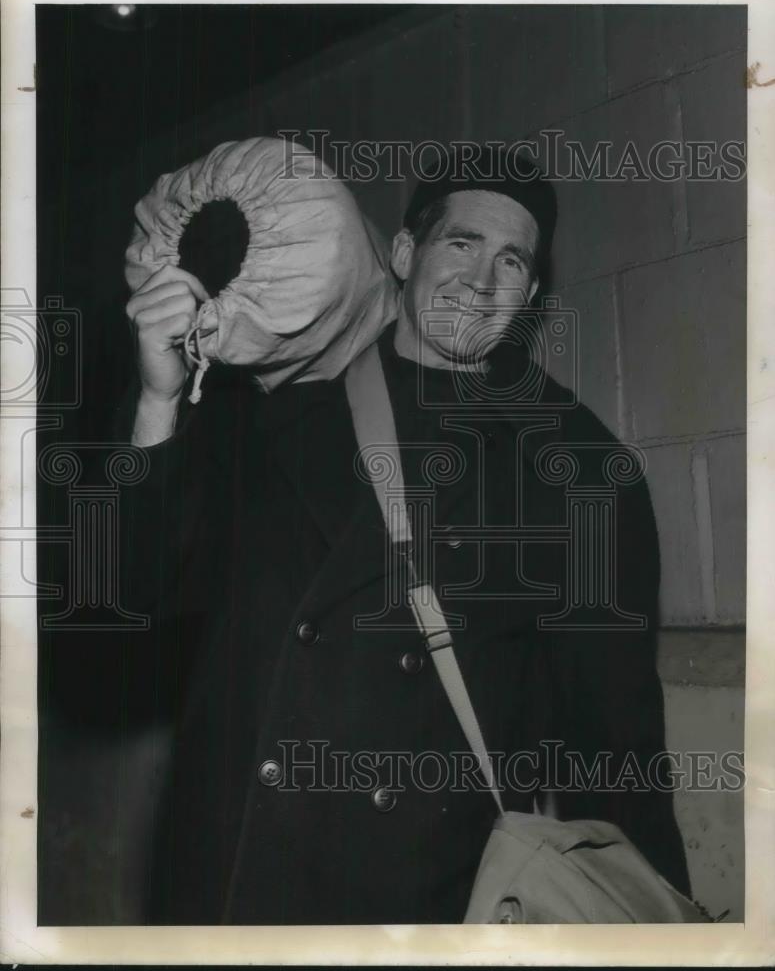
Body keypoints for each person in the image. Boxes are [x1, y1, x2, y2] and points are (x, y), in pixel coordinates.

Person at [118, 149, 690, 924]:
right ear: (402, 253)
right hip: (228, 876)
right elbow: (131, 594)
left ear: (530, 295)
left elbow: (615, 746)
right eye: (461, 244)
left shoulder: (578, 470)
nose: (482, 282)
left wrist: (651, 928)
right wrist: (157, 403)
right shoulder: (280, 412)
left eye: (511, 262)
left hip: (411, 900)